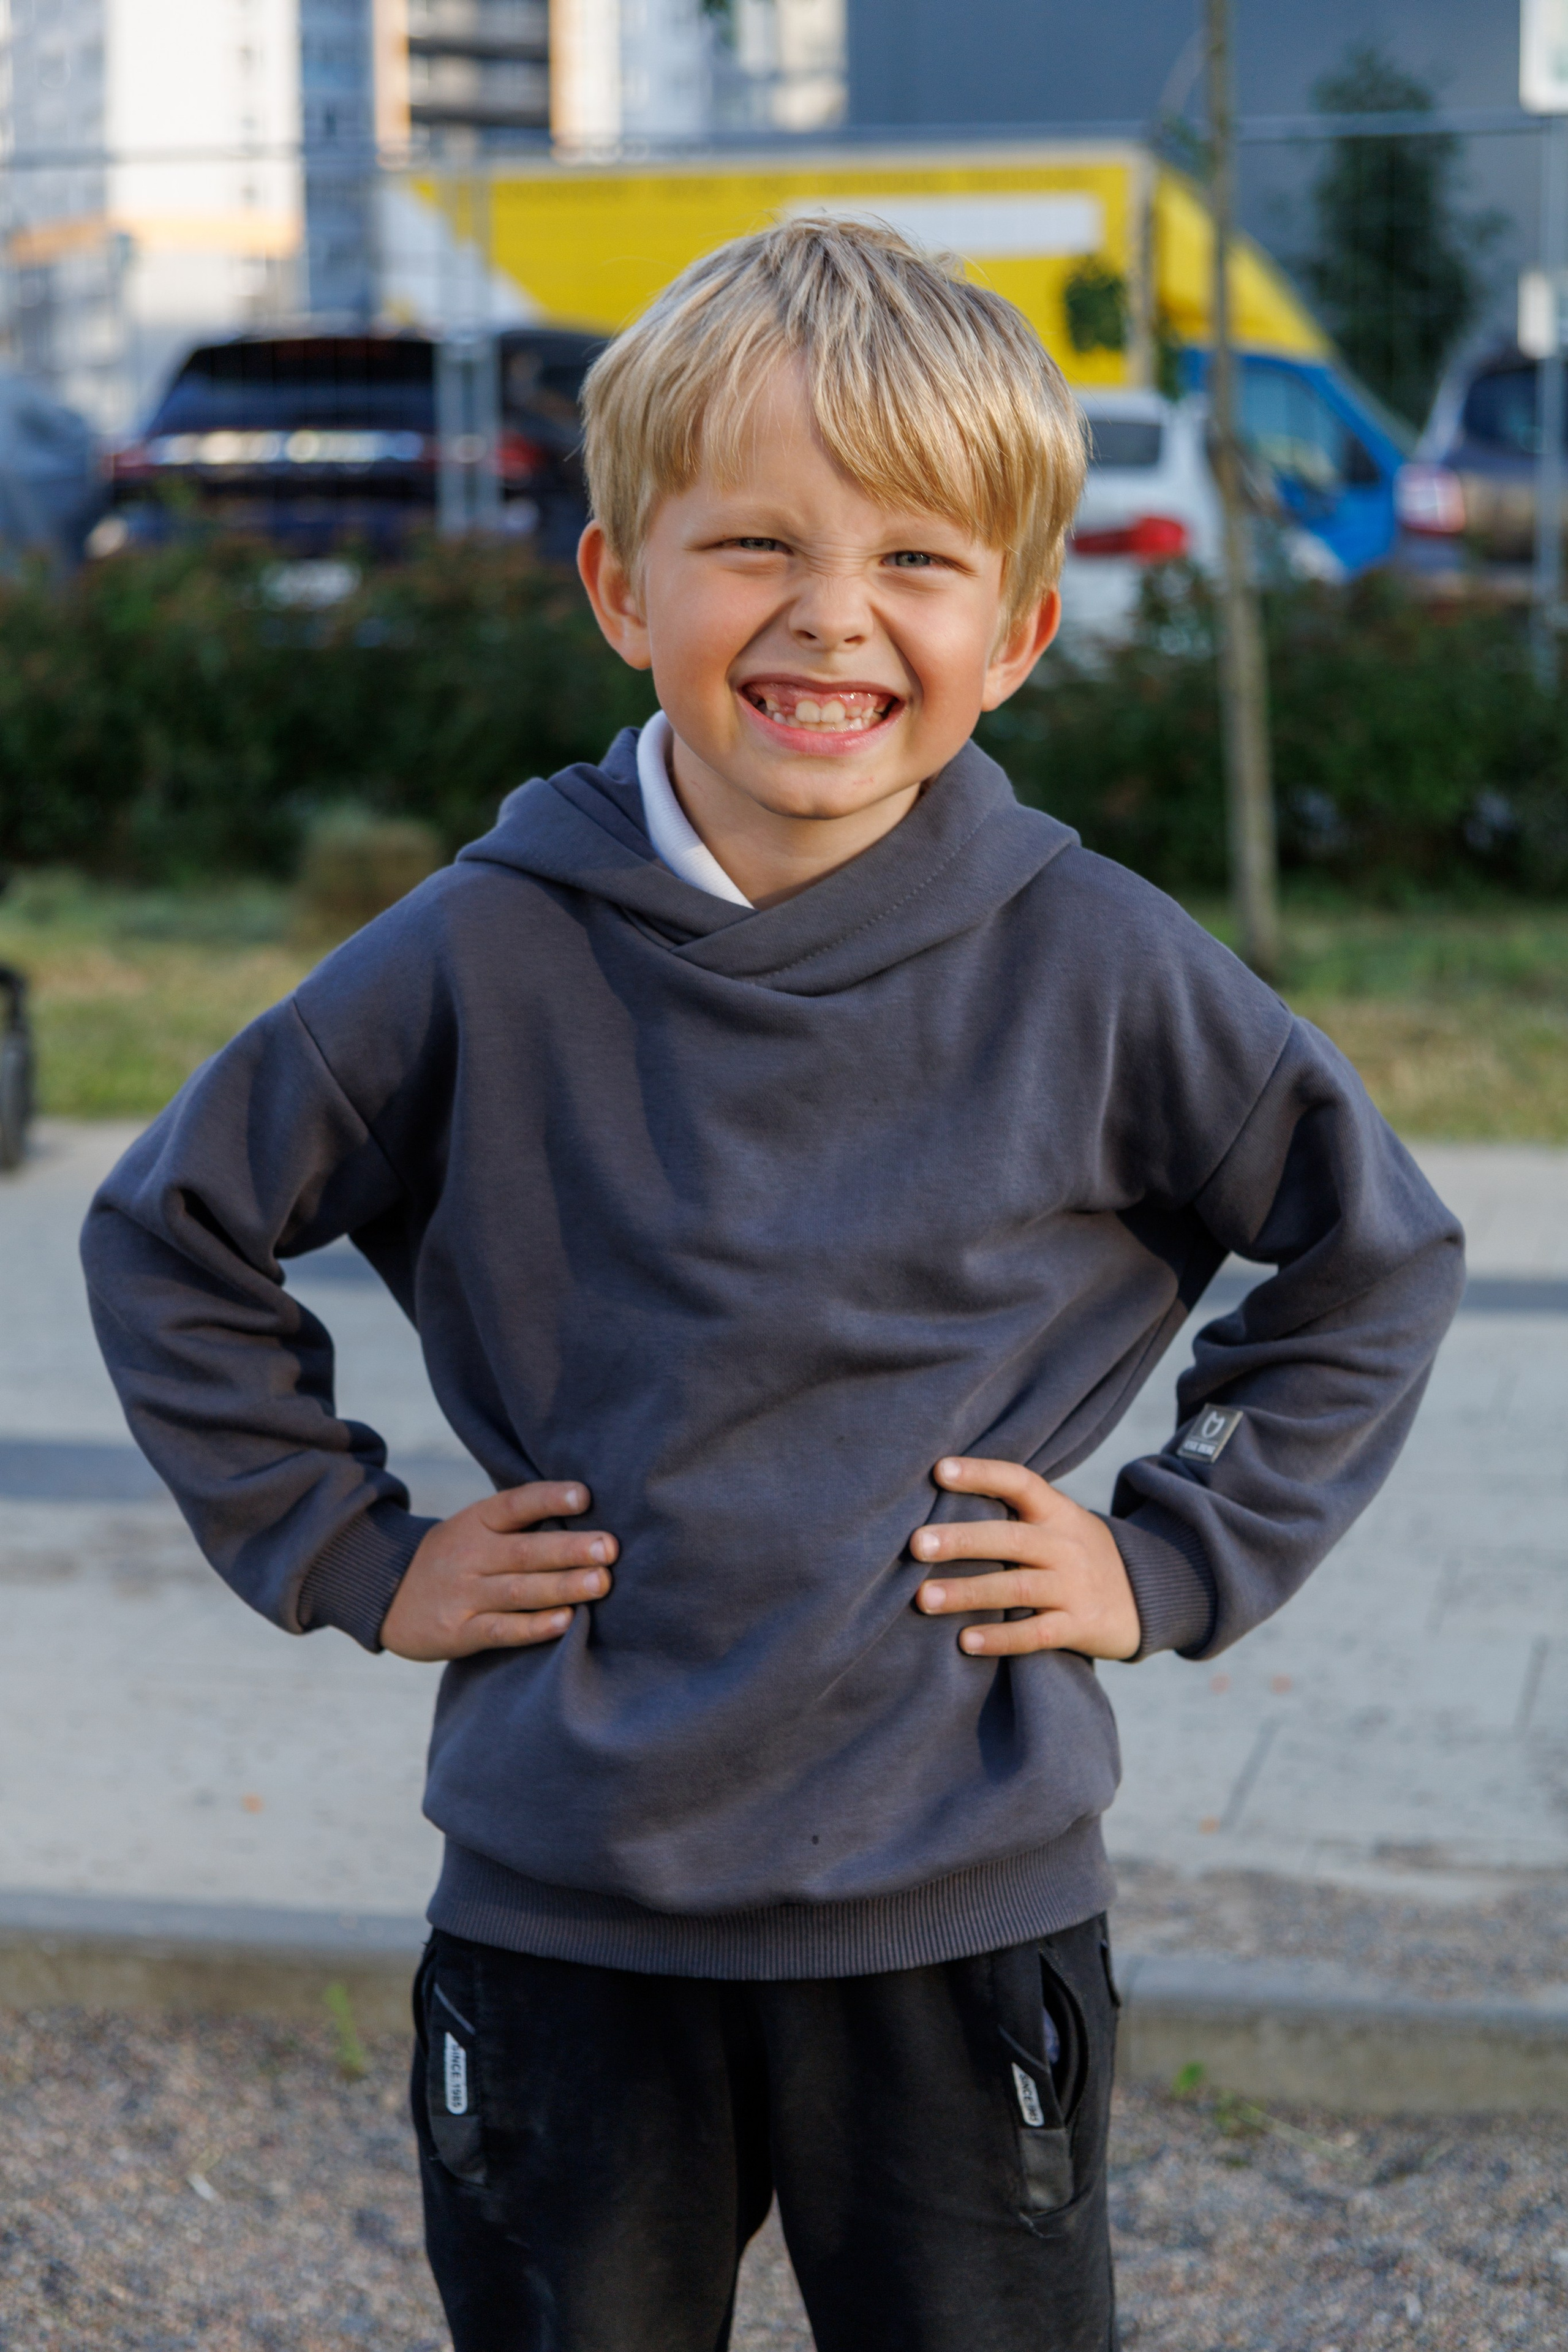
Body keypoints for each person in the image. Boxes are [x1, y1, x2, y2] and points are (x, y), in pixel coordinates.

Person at [81, 219, 1463, 2352]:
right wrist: (354, 1549)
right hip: (566, 1906)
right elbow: (167, 1228)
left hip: (956, 1902)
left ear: (1015, 629)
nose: (834, 615)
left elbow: (1375, 1253)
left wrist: (1171, 1555)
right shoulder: (478, 950)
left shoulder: (1093, 960)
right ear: (625, 585)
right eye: (755, 545)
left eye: (917, 560)